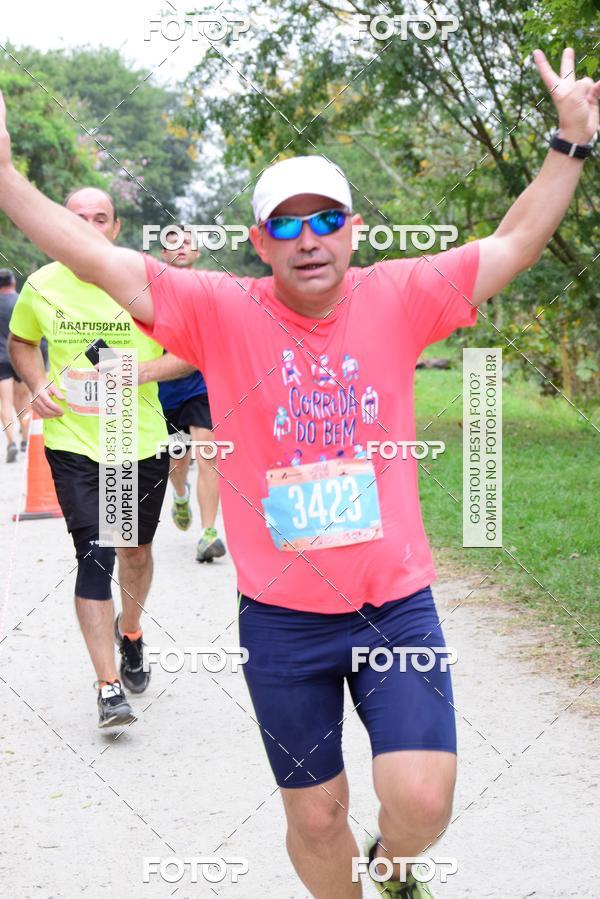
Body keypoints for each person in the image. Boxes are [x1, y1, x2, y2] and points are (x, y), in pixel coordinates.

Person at [0, 48, 597, 896]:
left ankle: (394, 867)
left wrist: (569, 143)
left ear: (353, 230)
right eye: (286, 223)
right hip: (283, 623)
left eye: (325, 220)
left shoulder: (402, 293)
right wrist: (6, 176)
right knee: (315, 819)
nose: (307, 238)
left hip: (394, 605)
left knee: (422, 803)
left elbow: (514, 241)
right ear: (259, 242)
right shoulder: (219, 309)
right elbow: (99, 261)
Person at [7, 187, 190, 730]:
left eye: (100, 218)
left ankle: (130, 632)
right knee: (95, 554)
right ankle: (109, 688)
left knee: (133, 551)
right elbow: (21, 343)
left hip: (139, 440)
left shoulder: (149, 280)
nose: (88, 225)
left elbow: (188, 353)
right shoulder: (41, 284)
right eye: (76, 217)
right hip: (76, 446)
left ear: (115, 228)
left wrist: (141, 372)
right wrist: (37, 382)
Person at [156, 226, 227, 563]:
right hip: (162, 390)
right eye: (173, 243)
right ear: (163, 253)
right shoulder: (149, 292)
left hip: (200, 387)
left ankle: (208, 533)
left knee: (208, 452)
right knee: (178, 460)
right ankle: (181, 496)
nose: (181, 248)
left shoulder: (207, 290)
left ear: (198, 253)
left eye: (188, 243)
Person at [0, 267, 27, 461]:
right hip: (21, 358)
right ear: (13, 283)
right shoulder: (22, 301)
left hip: (0, 359)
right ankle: (25, 438)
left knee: (5, 402)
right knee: (24, 399)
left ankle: (11, 443)